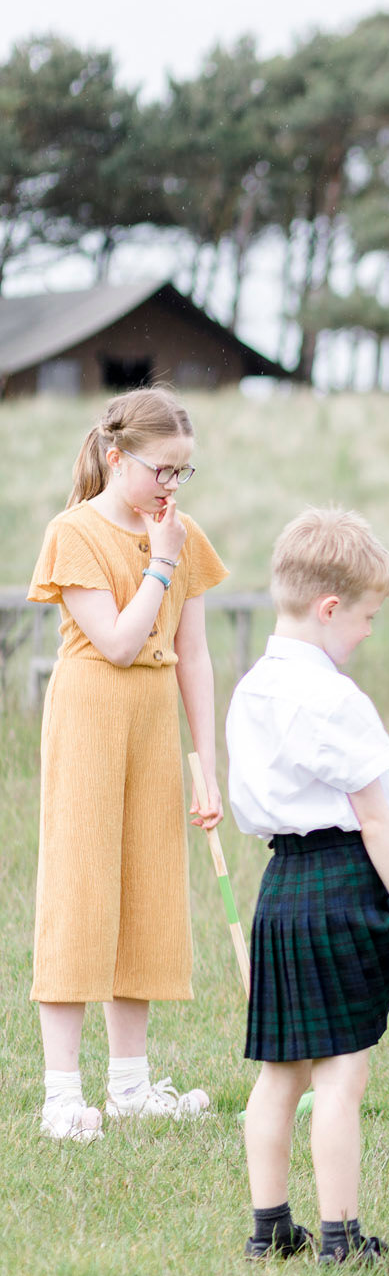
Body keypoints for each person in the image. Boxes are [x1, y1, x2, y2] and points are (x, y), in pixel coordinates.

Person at [226, 508, 389, 1263]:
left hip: (280, 888)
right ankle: (342, 1238)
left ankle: (269, 1230)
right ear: (329, 609)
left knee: (278, 1074)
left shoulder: (251, 691)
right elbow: (378, 821)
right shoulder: (335, 698)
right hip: (343, 887)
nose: (369, 632)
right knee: (341, 1077)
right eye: (368, 617)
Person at [29, 389, 229, 1142]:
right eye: (161, 471)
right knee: (82, 888)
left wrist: (206, 762)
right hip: (91, 713)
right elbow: (115, 641)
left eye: (184, 473)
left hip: (152, 720)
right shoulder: (74, 532)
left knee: (148, 889)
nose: (172, 488)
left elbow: (194, 652)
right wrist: (160, 564)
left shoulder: (184, 535)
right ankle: (60, 1096)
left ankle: (131, 1086)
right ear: (118, 458)